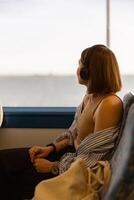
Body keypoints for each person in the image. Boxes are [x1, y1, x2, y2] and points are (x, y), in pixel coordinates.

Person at [0, 44, 123, 200]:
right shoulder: (90, 96)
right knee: (3, 161)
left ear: (91, 70)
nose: (77, 68)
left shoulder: (109, 105)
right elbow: (74, 134)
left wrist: (53, 167)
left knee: (15, 180)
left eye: (80, 64)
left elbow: (95, 158)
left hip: (73, 168)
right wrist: (51, 148)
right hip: (68, 156)